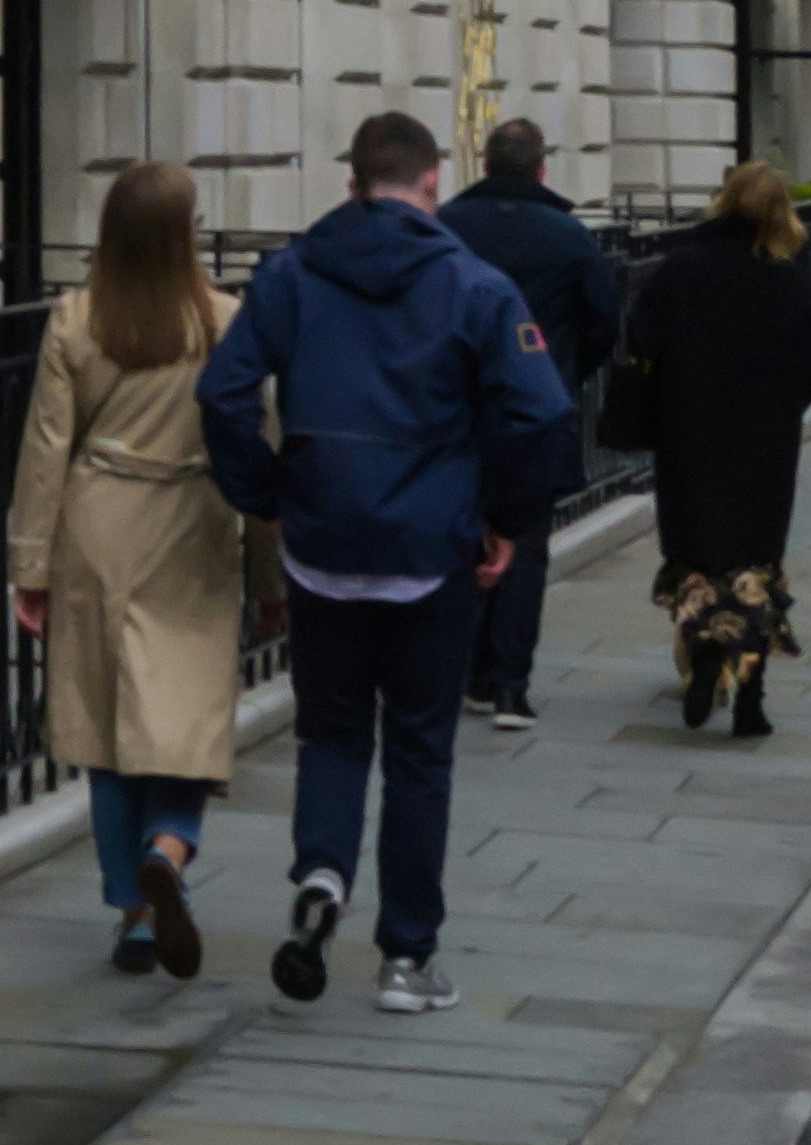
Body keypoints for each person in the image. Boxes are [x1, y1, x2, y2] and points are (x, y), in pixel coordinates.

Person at [201, 109, 589, 1019]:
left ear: (348, 185)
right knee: (419, 751)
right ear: (430, 184)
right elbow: (541, 414)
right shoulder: (473, 285)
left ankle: (323, 877)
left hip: (322, 547)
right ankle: (407, 958)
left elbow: (221, 392)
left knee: (330, 733)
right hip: (430, 548)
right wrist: (505, 518)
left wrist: (264, 492)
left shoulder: (290, 275)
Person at [9, 159, 252, 977]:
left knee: (105, 727)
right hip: (193, 525)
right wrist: (277, 569)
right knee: (185, 717)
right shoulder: (223, 319)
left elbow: (45, 451)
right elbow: (261, 443)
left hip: (98, 529)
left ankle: (134, 909)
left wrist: (29, 567)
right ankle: (171, 847)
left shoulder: (75, 320)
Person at [612, 155, 811, 735]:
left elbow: (641, 341)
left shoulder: (680, 270)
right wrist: (779, 408)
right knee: (754, 566)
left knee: (698, 557)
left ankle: (705, 652)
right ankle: (752, 698)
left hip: (690, 439)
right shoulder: (784, 280)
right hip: (763, 449)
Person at [437, 119, 623, 739]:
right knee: (527, 544)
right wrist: (564, 374)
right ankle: (509, 684)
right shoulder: (569, 237)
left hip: (459, 409)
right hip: (538, 410)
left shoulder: (448, 228)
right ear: (542, 170)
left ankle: (466, 672)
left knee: (463, 536)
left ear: (485, 164)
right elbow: (603, 321)